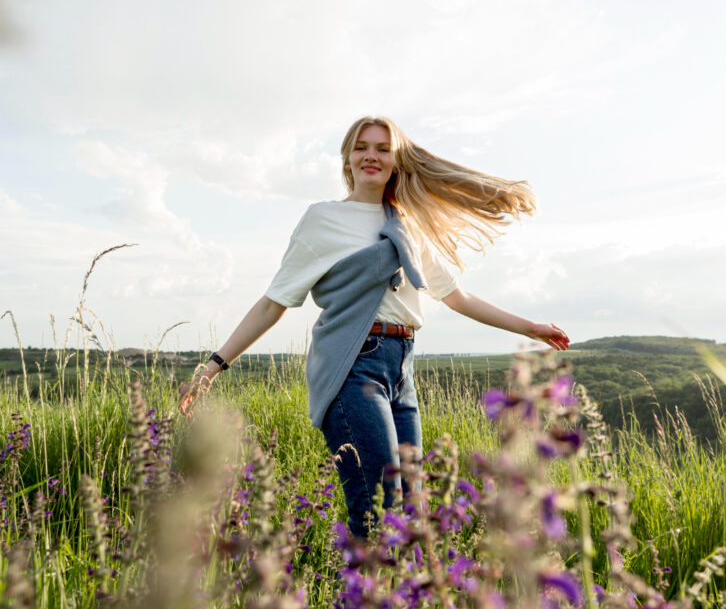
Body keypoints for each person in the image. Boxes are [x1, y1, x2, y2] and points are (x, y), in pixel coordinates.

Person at [179, 115, 569, 539]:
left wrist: (529, 327)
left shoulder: (406, 225)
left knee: (411, 509)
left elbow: (457, 296)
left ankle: (396, 602)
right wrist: (214, 365)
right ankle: (360, 601)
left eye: (383, 149)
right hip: (353, 368)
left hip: (402, 372)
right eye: (362, 147)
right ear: (347, 159)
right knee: (378, 506)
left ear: (396, 161)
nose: (371, 155)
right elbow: (274, 302)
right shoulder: (322, 220)